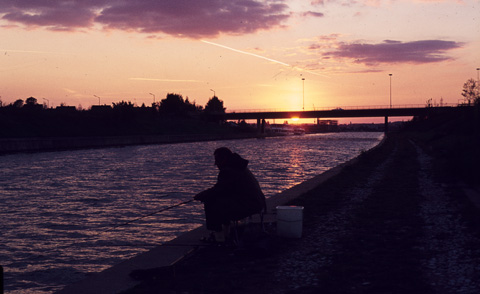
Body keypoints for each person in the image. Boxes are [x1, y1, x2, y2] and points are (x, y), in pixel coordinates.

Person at [194, 147, 266, 243]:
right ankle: (226, 233)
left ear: (224, 159)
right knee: (218, 200)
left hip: (249, 205)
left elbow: (218, 189)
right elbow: (224, 189)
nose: (215, 164)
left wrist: (202, 195)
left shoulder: (228, 171)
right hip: (258, 203)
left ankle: (219, 236)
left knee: (210, 203)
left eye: (217, 160)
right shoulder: (239, 166)